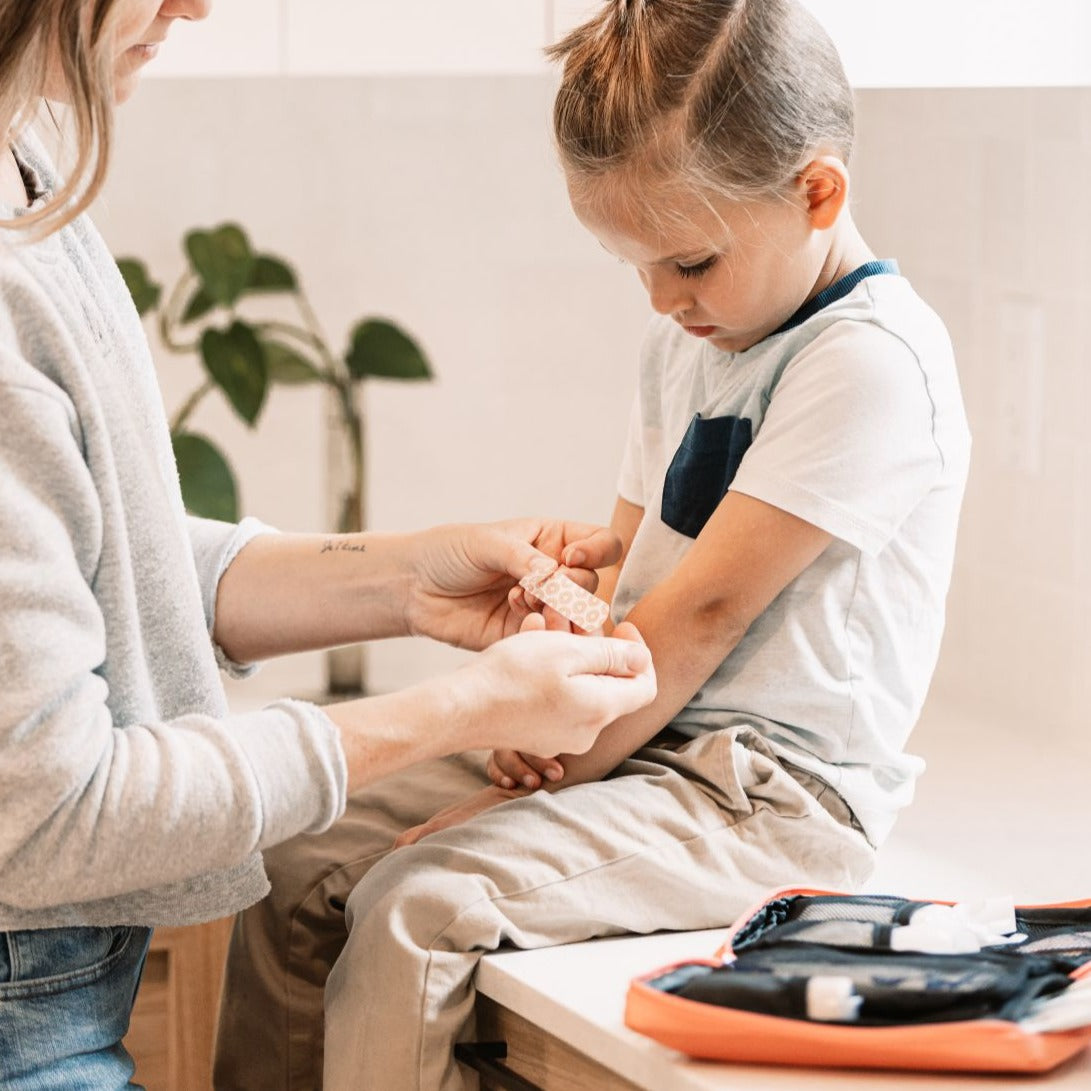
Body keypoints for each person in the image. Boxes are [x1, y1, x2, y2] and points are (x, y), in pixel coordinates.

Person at [215, 1, 973, 1088]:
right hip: (639, 738)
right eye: (635, 267)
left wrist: (545, 765)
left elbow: (701, 618)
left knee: (415, 905)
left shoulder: (867, 363)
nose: (663, 299)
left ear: (815, 193)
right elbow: (631, 577)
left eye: (689, 261)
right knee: (289, 863)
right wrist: (551, 658)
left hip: (764, 797)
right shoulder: (692, 340)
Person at [0, 1, 660, 1086]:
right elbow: (53, 810)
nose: (194, 5)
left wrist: (407, 578)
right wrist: (470, 707)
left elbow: (105, 560)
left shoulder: (29, 163)